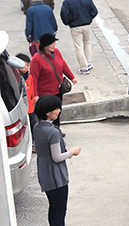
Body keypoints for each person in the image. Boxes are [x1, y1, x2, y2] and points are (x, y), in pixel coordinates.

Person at [32, 95, 81, 226]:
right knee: (59, 212)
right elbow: (57, 157)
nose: (59, 110)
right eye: (57, 108)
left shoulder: (37, 127)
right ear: (48, 113)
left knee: (53, 208)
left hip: (44, 174)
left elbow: (38, 148)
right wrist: (72, 152)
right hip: (56, 177)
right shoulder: (53, 132)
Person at [30, 34, 77, 127]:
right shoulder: (37, 59)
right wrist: (35, 94)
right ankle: (48, 131)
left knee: (57, 113)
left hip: (58, 90)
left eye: (54, 42)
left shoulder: (57, 52)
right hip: (45, 93)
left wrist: (72, 77)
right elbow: (33, 78)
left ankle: (57, 130)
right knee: (47, 116)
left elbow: (63, 65)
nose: (54, 45)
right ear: (45, 45)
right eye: (51, 43)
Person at [60, 0, 98, 75]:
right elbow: (94, 11)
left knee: (78, 46)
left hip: (75, 26)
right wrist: (89, 18)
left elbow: (64, 15)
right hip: (87, 24)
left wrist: (68, 22)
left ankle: (83, 67)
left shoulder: (67, 2)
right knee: (87, 43)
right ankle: (89, 63)